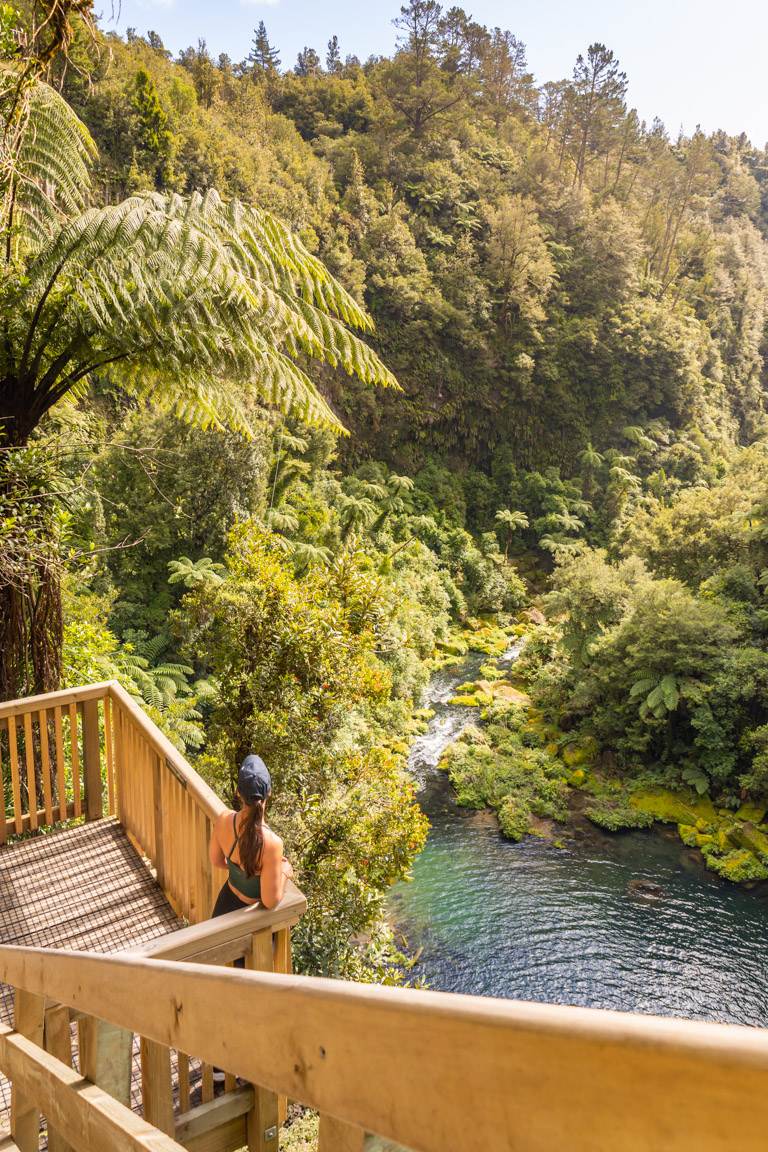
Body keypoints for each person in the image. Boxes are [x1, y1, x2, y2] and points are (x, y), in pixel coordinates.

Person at [209, 753, 293, 916]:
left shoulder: (224, 819)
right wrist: (284, 871)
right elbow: (270, 901)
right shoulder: (272, 843)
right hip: (251, 918)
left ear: (238, 792)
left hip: (224, 907)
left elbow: (216, 860)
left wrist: (240, 872)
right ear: (269, 792)